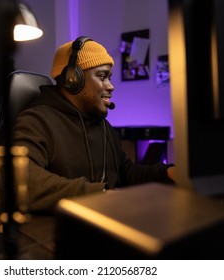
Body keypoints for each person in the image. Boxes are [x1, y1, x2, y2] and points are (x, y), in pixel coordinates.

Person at [12, 36, 175, 212]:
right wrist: (98, 194)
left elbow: (124, 172)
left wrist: (169, 174)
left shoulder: (103, 126)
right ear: (73, 79)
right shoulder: (37, 121)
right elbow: (19, 177)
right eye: (103, 76)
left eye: (109, 78)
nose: (111, 86)